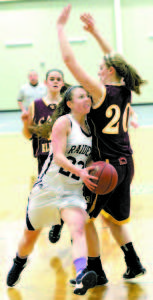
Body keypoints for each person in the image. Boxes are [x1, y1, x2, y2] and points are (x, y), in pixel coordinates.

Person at [53, 4, 147, 285]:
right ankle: (133, 263)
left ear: (108, 72)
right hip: (126, 164)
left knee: (82, 217)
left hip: (106, 167)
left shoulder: (99, 91)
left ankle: (96, 271)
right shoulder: (126, 88)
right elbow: (117, 59)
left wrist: (59, 28)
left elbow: (70, 61)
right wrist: (95, 32)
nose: (97, 71)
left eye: (100, 69)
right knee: (111, 218)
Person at [7, 85, 99, 295]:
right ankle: (19, 263)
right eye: (81, 96)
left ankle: (81, 275)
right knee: (30, 237)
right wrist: (81, 171)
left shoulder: (91, 128)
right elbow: (58, 156)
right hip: (48, 188)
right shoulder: (63, 122)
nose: (87, 99)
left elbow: (89, 159)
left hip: (72, 191)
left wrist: (95, 171)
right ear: (69, 104)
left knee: (77, 228)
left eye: (88, 96)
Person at [21, 69, 66, 175]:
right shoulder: (35, 105)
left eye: (58, 79)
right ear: (45, 82)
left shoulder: (67, 105)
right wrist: (25, 123)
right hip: (44, 155)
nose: (55, 81)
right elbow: (28, 135)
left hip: (65, 154)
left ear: (62, 83)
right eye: (52, 79)